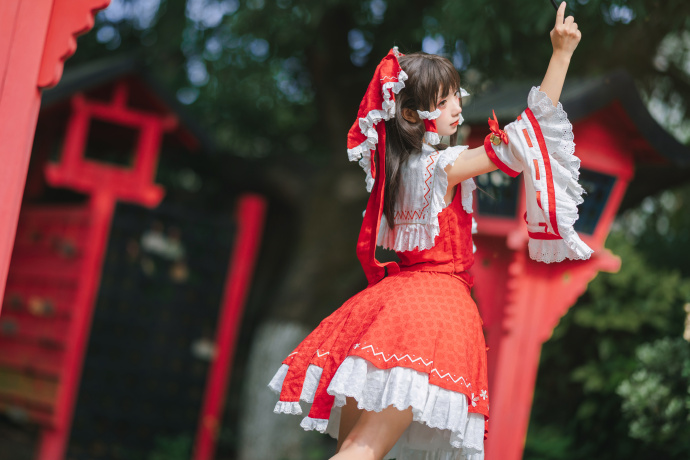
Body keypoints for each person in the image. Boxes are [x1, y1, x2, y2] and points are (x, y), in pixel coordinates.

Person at [269, 3, 586, 459]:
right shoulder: (442, 166)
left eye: (457, 95)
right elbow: (522, 141)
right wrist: (560, 55)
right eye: (444, 101)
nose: (458, 107)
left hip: (385, 308)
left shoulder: (393, 174)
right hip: (431, 313)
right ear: (413, 115)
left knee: (353, 450)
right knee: (362, 452)